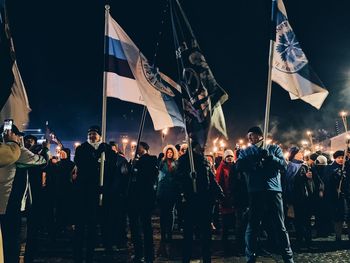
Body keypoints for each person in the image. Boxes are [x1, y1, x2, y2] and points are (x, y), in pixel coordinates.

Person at [236, 126, 294, 263]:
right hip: (255, 191)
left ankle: (288, 257)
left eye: (253, 135)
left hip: (273, 190)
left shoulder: (274, 148)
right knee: (253, 225)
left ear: (260, 136)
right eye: (248, 135)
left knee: (280, 225)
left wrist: (270, 158)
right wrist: (255, 160)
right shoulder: (246, 151)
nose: (250, 138)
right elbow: (239, 166)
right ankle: (250, 257)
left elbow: (284, 165)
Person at [0, 124, 46, 263]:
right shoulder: (15, 150)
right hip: (10, 203)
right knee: (12, 244)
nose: (21, 137)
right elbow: (41, 162)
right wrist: (45, 151)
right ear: (10, 134)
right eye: (18, 134)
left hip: (5, 203)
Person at [176, 140, 223, 263]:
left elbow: (211, 179)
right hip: (190, 201)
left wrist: (219, 192)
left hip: (204, 201)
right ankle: (186, 258)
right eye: (199, 147)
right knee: (188, 233)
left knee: (206, 233)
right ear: (193, 148)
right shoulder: (184, 161)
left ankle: (206, 259)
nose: (202, 149)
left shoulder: (204, 160)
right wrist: (188, 176)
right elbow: (177, 179)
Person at [73, 125, 113, 263]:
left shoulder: (106, 149)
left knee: (93, 226)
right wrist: (96, 155)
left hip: (99, 193)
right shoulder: (81, 149)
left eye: (94, 134)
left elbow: (111, 168)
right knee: (80, 226)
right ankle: (77, 256)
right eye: (89, 134)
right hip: (83, 193)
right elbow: (83, 165)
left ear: (100, 135)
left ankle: (90, 255)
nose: (91, 136)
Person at [127, 141, 158, 263]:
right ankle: (138, 252)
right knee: (134, 227)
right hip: (133, 198)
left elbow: (149, 175)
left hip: (145, 198)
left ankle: (149, 254)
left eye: (137, 147)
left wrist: (137, 165)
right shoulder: (133, 161)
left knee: (146, 226)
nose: (135, 149)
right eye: (133, 147)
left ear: (145, 148)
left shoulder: (151, 159)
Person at [157, 145, 179, 243]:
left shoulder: (176, 163)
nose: (169, 154)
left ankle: (169, 233)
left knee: (170, 212)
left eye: (171, 152)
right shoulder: (162, 163)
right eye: (168, 152)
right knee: (163, 213)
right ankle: (163, 234)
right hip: (162, 190)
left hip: (172, 191)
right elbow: (159, 177)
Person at [215, 149, 235, 250]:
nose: (230, 158)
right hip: (225, 198)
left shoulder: (235, 167)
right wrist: (221, 196)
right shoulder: (221, 168)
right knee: (225, 221)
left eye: (231, 156)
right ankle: (224, 243)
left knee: (233, 221)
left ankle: (232, 244)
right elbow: (218, 182)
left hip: (233, 198)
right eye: (228, 157)